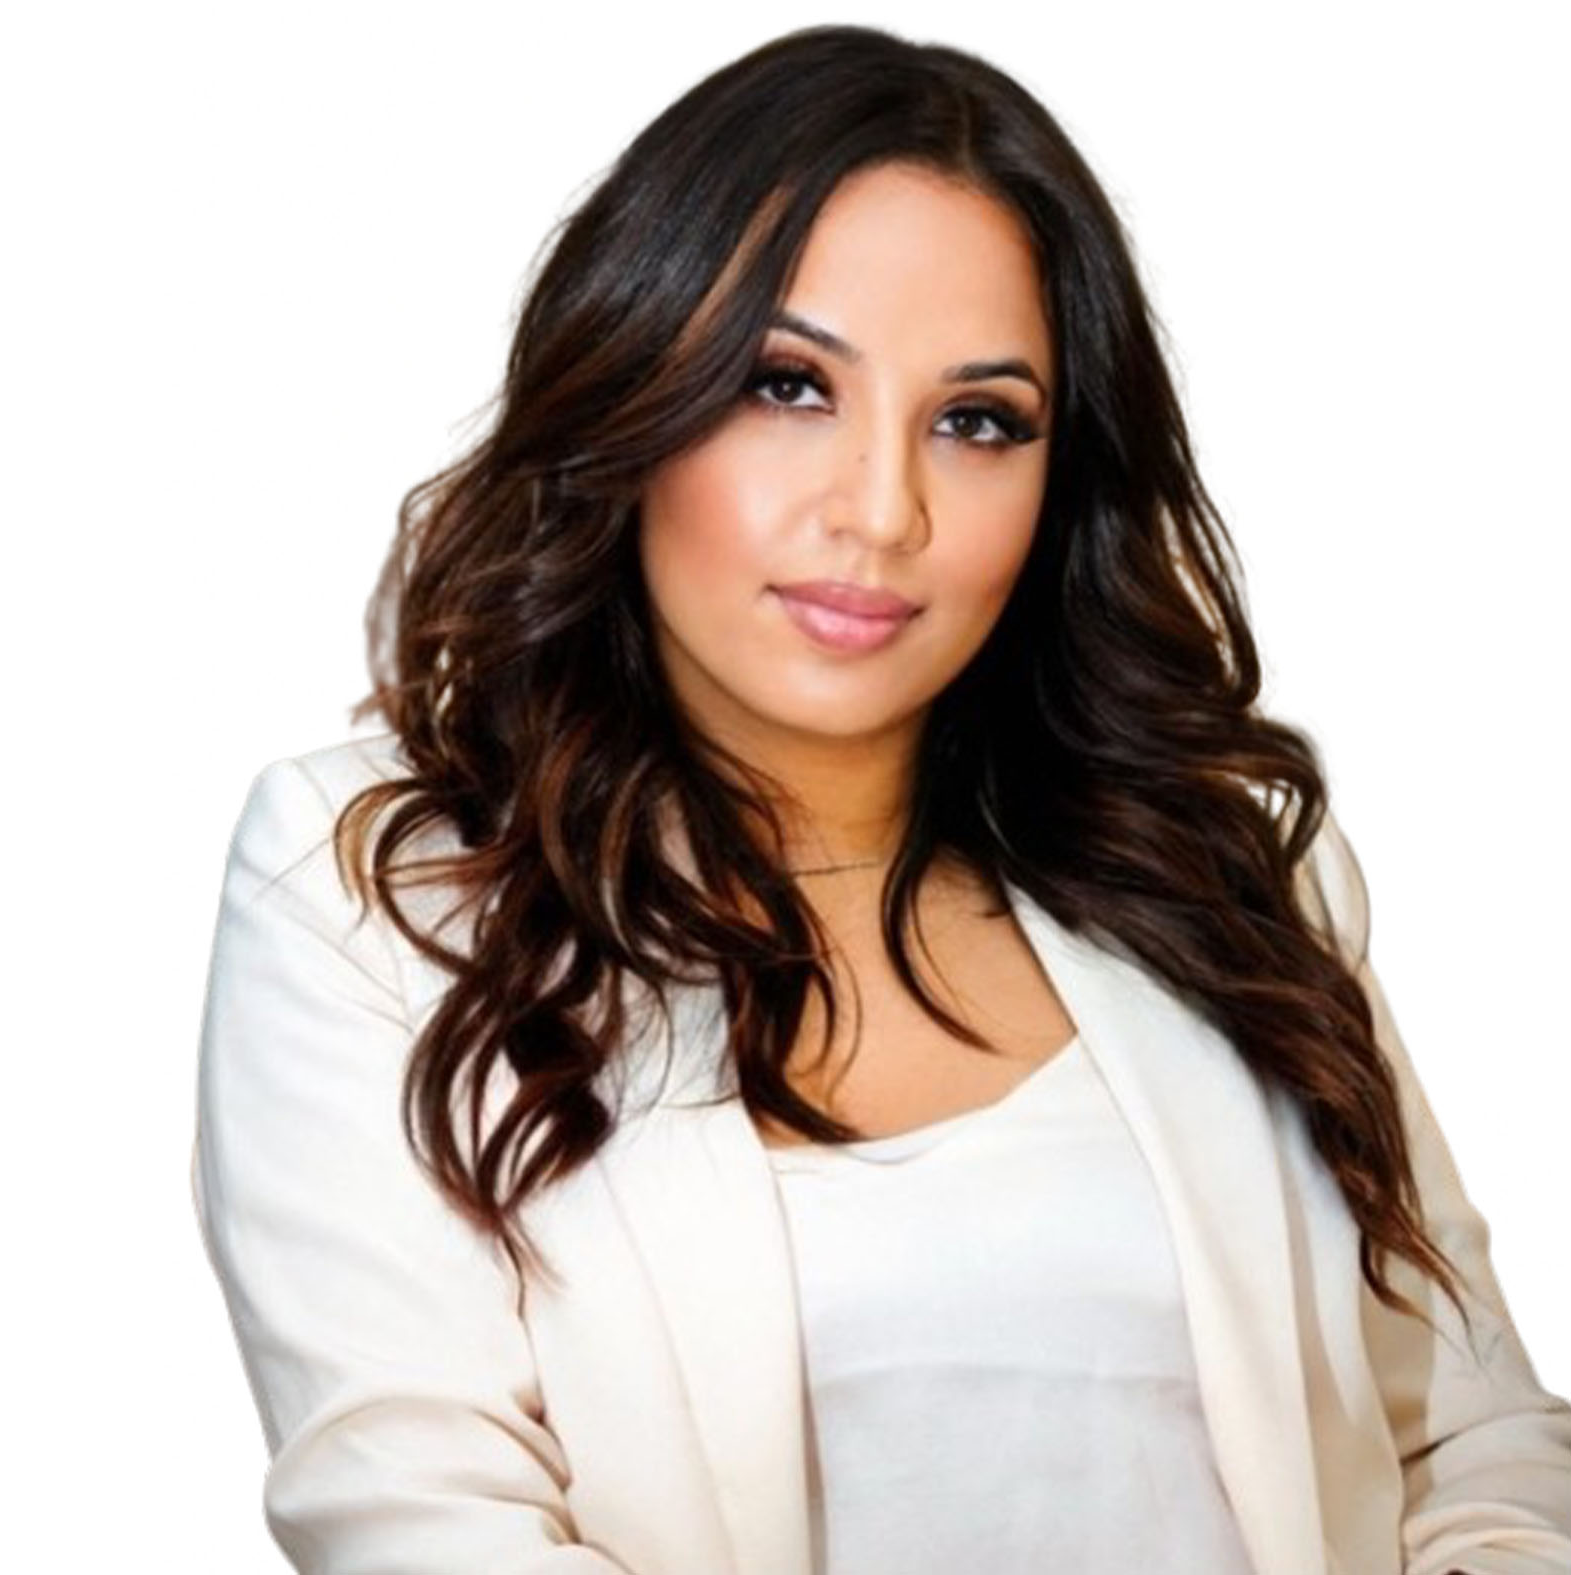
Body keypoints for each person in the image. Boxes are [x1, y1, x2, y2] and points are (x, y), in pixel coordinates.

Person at [190, 23, 1571, 1575]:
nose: (881, 508)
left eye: (976, 419)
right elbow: (420, 1515)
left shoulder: (1226, 870)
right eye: (788, 386)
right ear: (633, 394)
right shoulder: (379, 894)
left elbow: (1477, 1432)